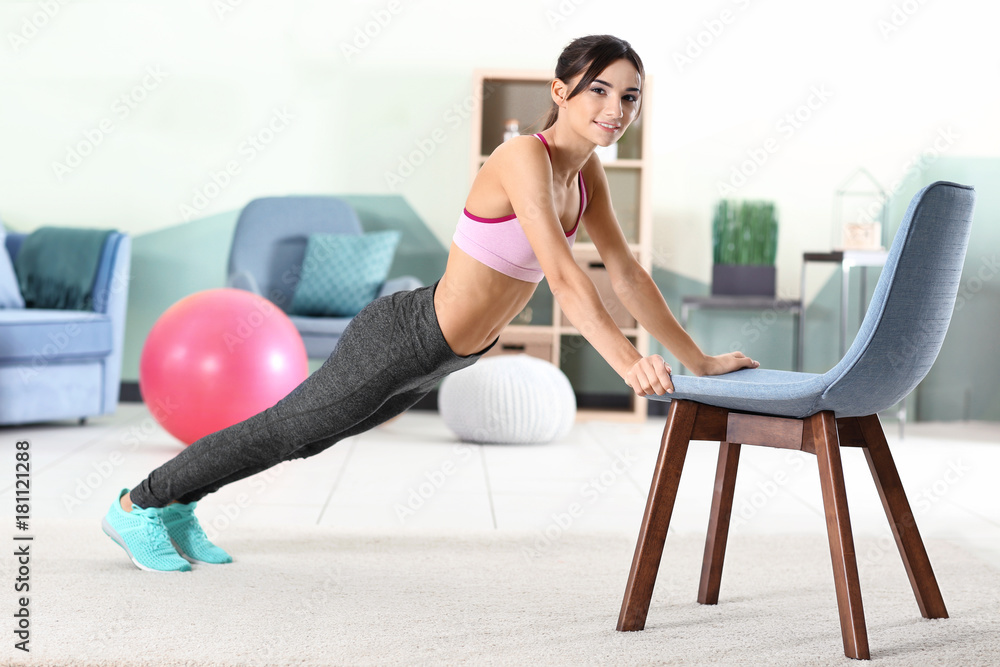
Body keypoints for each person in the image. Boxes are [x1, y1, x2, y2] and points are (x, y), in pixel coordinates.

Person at [102, 34, 759, 572]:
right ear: (559, 92)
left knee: (304, 441)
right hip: (405, 337)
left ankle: (179, 503)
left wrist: (695, 359)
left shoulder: (585, 175)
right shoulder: (521, 157)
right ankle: (139, 504)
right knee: (286, 428)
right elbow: (563, 277)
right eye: (599, 89)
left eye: (629, 96)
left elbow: (626, 272)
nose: (615, 106)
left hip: (444, 357)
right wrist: (627, 361)